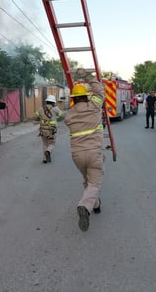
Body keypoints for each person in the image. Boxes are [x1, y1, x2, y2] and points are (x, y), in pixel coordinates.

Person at [65, 69, 104, 232]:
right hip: (94, 153)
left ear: (73, 100)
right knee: (94, 183)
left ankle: (95, 205)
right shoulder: (94, 106)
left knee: (87, 180)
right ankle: (84, 206)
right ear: (86, 97)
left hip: (77, 156)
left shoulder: (69, 116)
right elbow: (99, 91)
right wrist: (88, 76)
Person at [33, 94, 63, 163]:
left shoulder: (41, 109)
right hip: (51, 131)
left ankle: (44, 159)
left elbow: (35, 116)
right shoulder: (55, 109)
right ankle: (48, 151)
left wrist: (40, 118)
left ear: (47, 101)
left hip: (42, 130)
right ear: (53, 102)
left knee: (44, 144)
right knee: (51, 143)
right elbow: (61, 115)